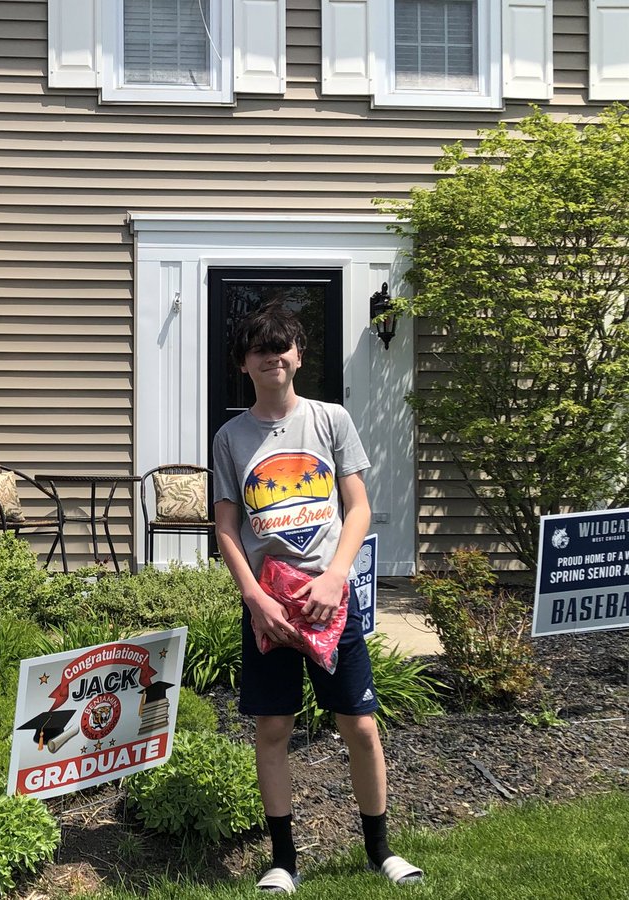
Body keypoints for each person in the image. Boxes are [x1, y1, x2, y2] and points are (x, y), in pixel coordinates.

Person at [211, 304, 423, 894]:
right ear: (244, 364)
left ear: (299, 355)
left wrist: (336, 577)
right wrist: (254, 598)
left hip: (331, 602)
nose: (272, 357)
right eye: (259, 349)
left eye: (282, 347)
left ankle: (380, 851)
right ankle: (283, 860)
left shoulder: (331, 420)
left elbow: (356, 508)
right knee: (273, 729)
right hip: (270, 608)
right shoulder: (230, 438)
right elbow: (226, 526)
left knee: (359, 725)